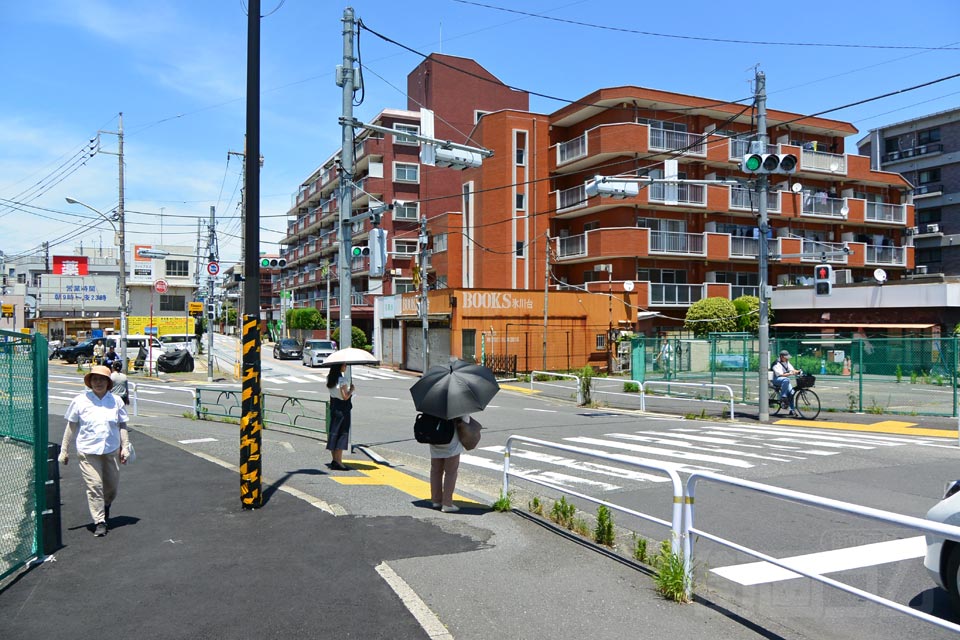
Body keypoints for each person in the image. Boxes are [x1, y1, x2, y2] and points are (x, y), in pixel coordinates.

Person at [58, 365, 132, 537]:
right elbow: (71, 426)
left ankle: (105, 505)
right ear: (90, 382)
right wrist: (64, 449)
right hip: (87, 451)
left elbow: (122, 425)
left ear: (108, 382)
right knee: (95, 485)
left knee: (111, 488)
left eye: (102, 379)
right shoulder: (80, 401)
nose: (98, 382)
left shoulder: (116, 401)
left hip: (111, 450)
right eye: (94, 379)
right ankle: (100, 521)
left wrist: (125, 447)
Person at [430, 415, 469, 513]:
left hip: (434, 438)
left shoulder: (431, 406)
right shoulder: (458, 407)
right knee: (451, 472)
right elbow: (466, 421)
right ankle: (447, 503)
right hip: (451, 441)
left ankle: (436, 500)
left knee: (435, 471)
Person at [325, 363, 355, 471]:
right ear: (340, 366)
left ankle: (334, 460)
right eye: (344, 365)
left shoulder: (329, 378)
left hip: (334, 407)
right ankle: (339, 461)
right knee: (342, 434)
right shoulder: (342, 380)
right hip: (343, 409)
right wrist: (351, 390)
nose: (345, 367)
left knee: (334, 432)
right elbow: (345, 396)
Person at [771, 350, 799, 416]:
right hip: (776, 379)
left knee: (791, 393)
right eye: (785, 357)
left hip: (784, 379)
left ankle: (792, 410)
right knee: (786, 379)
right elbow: (781, 375)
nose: (787, 359)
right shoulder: (776, 363)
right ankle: (783, 397)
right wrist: (790, 373)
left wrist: (797, 371)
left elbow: (792, 369)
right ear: (781, 356)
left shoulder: (786, 362)